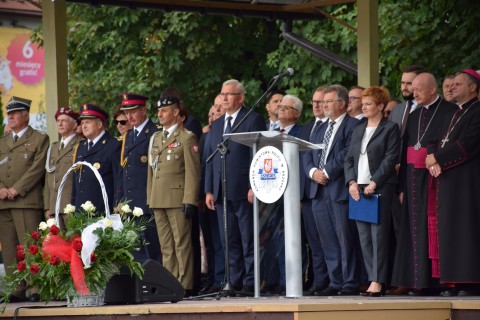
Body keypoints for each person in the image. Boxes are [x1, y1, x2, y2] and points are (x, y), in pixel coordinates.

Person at [391, 73, 457, 296]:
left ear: (432, 89)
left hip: (434, 179)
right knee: (412, 230)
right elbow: (405, 149)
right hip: (411, 179)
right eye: (413, 88)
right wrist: (400, 186)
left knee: (432, 229)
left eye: (418, 89)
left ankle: (438, 283)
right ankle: (417, 282)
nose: (414, 92)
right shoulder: (414, 113)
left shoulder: (449, 111)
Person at [204, 79, 266, 296]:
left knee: (248, 238)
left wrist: (253, 185)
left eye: (229, 94)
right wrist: (209, 189)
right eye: (222, 94)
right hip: (221, 191)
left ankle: (251, 280)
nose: (224, 98)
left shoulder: (253, 119)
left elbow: (257, 154)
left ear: (240, 97)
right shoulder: (218, 123)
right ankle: (233, 280)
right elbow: (210, 157)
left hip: (243, 189)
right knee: (228, 239)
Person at [426, 69, 480, 296]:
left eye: (458, 84)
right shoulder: (451, 113)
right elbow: (433, 140)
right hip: (446, 178)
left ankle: (469, 281)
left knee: (465, 229)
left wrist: (437, 158)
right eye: (451, 84)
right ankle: (452, 281)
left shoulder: (477, 112)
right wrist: (432, 159)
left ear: (473, 88)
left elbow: (468, 143)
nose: (451, 87)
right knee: (448, 228)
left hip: (467, 181)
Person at [303, 84, 360, 296]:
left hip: (338, 188)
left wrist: (326, 171)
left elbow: (348, 152)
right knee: (326, 240)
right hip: (317, 190)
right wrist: (312, 173)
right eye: (323, 101)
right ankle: (335, 281)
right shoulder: (319, 127)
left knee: (345, 239)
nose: (323, 105)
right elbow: (306, 153)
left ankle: (350, 282)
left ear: (342, 103)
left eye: (328, 101)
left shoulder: (352, 125)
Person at [344, 86, 400, 296]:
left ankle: (378, 281)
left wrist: (375, 182)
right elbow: (349, 158)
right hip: (358, 188)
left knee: (379, 237)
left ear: (380, 106)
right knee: (364, 237)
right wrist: (351, 182)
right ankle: (372, 279)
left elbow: (390, 158)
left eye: (368, 104)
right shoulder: (358, 129)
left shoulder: (390, 128)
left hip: (380, 187)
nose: (364, 107)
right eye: (364, 103)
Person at [147, 96, 200, 295]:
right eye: (159, 111)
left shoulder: (187, 137)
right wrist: (149, 198)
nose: (159, 114)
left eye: (164, 110)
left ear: (176, 112)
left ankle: (184, 284)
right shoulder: (157, 138)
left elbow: (193, 172)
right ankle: (169, 283)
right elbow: (151, 172)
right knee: (166, 246)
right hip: (158, 198)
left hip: (178, 198)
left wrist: (190, 199)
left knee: (182, 243)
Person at [0, 96, 49, 302]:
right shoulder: (2, 141)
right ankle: (15, 288)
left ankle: (35, 288)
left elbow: (37, 169)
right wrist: (1, 188)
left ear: (26, 115)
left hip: (26, 201)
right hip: (3, 202)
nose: (10, 116)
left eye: (15, 113)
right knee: (10, 248)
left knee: (30, 247)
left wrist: (16, 189)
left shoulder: (39, 138)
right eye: (8, 113)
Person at [117, 93, 161, 262]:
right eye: (127, 112)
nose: (129, 116)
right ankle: (139, 286)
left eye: (133, 111)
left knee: (152, 250)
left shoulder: (155, 133)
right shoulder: (128, 135)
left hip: (147, 201)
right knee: (135, 252)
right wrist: (120, 199)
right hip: (130, 203)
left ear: (144, 110)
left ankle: (155, 286)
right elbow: (124, 170)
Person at [300, 86, 329, 296]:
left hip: (327, 188)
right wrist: (311, 172)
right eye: (314, 101)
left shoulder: (332, 126)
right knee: (314, 242)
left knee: (329, 239)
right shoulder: (307, 127)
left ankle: (332, 280)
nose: (317, 105)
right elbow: (304, 156)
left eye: (321, 101)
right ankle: (319, 281)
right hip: (308, 190)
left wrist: (321, 173)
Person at [197, 95, 226, 295]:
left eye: (218, 109)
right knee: (211, 241)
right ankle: (215, 278)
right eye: (212, 111)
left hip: (226, 193)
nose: (214, 113)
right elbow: (204, 166)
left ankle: (224, 278)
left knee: (223, 240)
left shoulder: (229, 132)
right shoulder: (206, 136)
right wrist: (204, 193)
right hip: (209, 196)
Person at [72, 103, 121, 213]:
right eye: (82, 122)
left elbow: (118, 181)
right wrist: (73, 206)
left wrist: (116, 207)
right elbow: (76, 182)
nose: (83, 126)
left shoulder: (113, 145)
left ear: (99, 124)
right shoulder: (80, 147)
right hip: (81, 212)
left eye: (88, 122)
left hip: (103, 212)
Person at [44, 107, 82, 227]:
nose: (60, 123)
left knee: (74, 243)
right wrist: (47, 207)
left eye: (64, 120)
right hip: (53, 206)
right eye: (58, 120)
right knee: (55, 244)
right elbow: (48, 179)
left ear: (74, 124)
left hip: (71, 205)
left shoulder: (80, 144)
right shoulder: (53, 147)